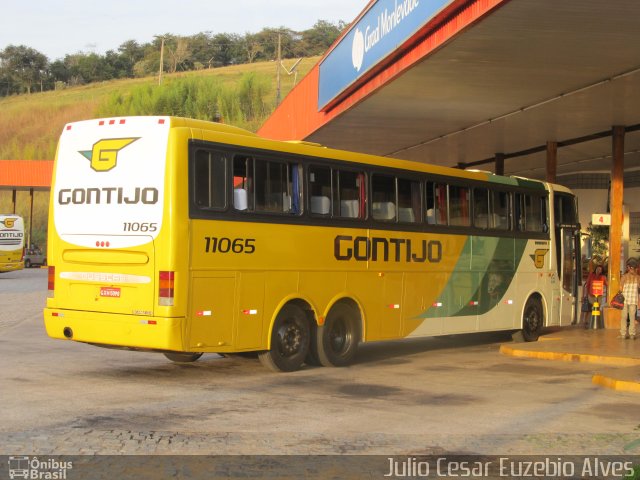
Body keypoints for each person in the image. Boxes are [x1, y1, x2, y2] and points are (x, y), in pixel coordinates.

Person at [618, 259, 639, 340]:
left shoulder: (624, 277)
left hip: (625, 300)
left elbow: (620, 288)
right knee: (632, 317)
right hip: (633, 300)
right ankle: (632, 334)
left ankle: (623, 334)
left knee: (624, 317)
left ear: (628, 267)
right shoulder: (638, 278)